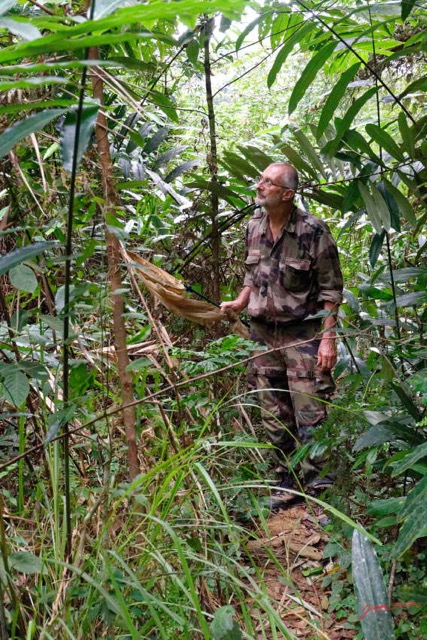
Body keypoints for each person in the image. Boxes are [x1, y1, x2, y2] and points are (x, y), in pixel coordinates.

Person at [220, 162, 343, 509]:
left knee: (311, 413)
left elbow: (331, 290)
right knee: (274, 413)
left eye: (268, 182)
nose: (259, 186)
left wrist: (328, 339)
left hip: (302, 334)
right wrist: (241, 301)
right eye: (260, 179)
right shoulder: (254, 226)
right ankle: (286, 483)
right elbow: (251, 274)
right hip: (262, 335)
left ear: (288, 194)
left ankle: (320, 491)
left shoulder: (313, 231)